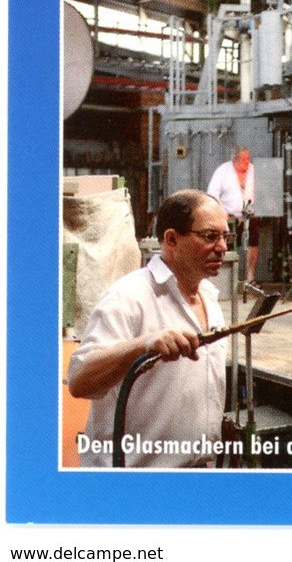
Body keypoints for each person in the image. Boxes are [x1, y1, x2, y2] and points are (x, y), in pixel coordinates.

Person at [68, 190, 232, 467]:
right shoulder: (129, 296)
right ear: (171, 239)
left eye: (226, 236)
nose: (223, 247)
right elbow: (80, 381)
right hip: (133, 482)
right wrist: (143, 344)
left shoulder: (210, 298)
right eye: (209, 236)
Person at [206, 147, 257, 281]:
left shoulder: (252, 170)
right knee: (226, 246)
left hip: (249, 214)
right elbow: (212, 193)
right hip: (229, 217)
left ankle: (250, 278)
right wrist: (222, 212)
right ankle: (225, 280)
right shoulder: (223, 171)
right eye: (244, 159)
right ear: (235, 160)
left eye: (248, 159)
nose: (247, 162)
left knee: (253, 243)